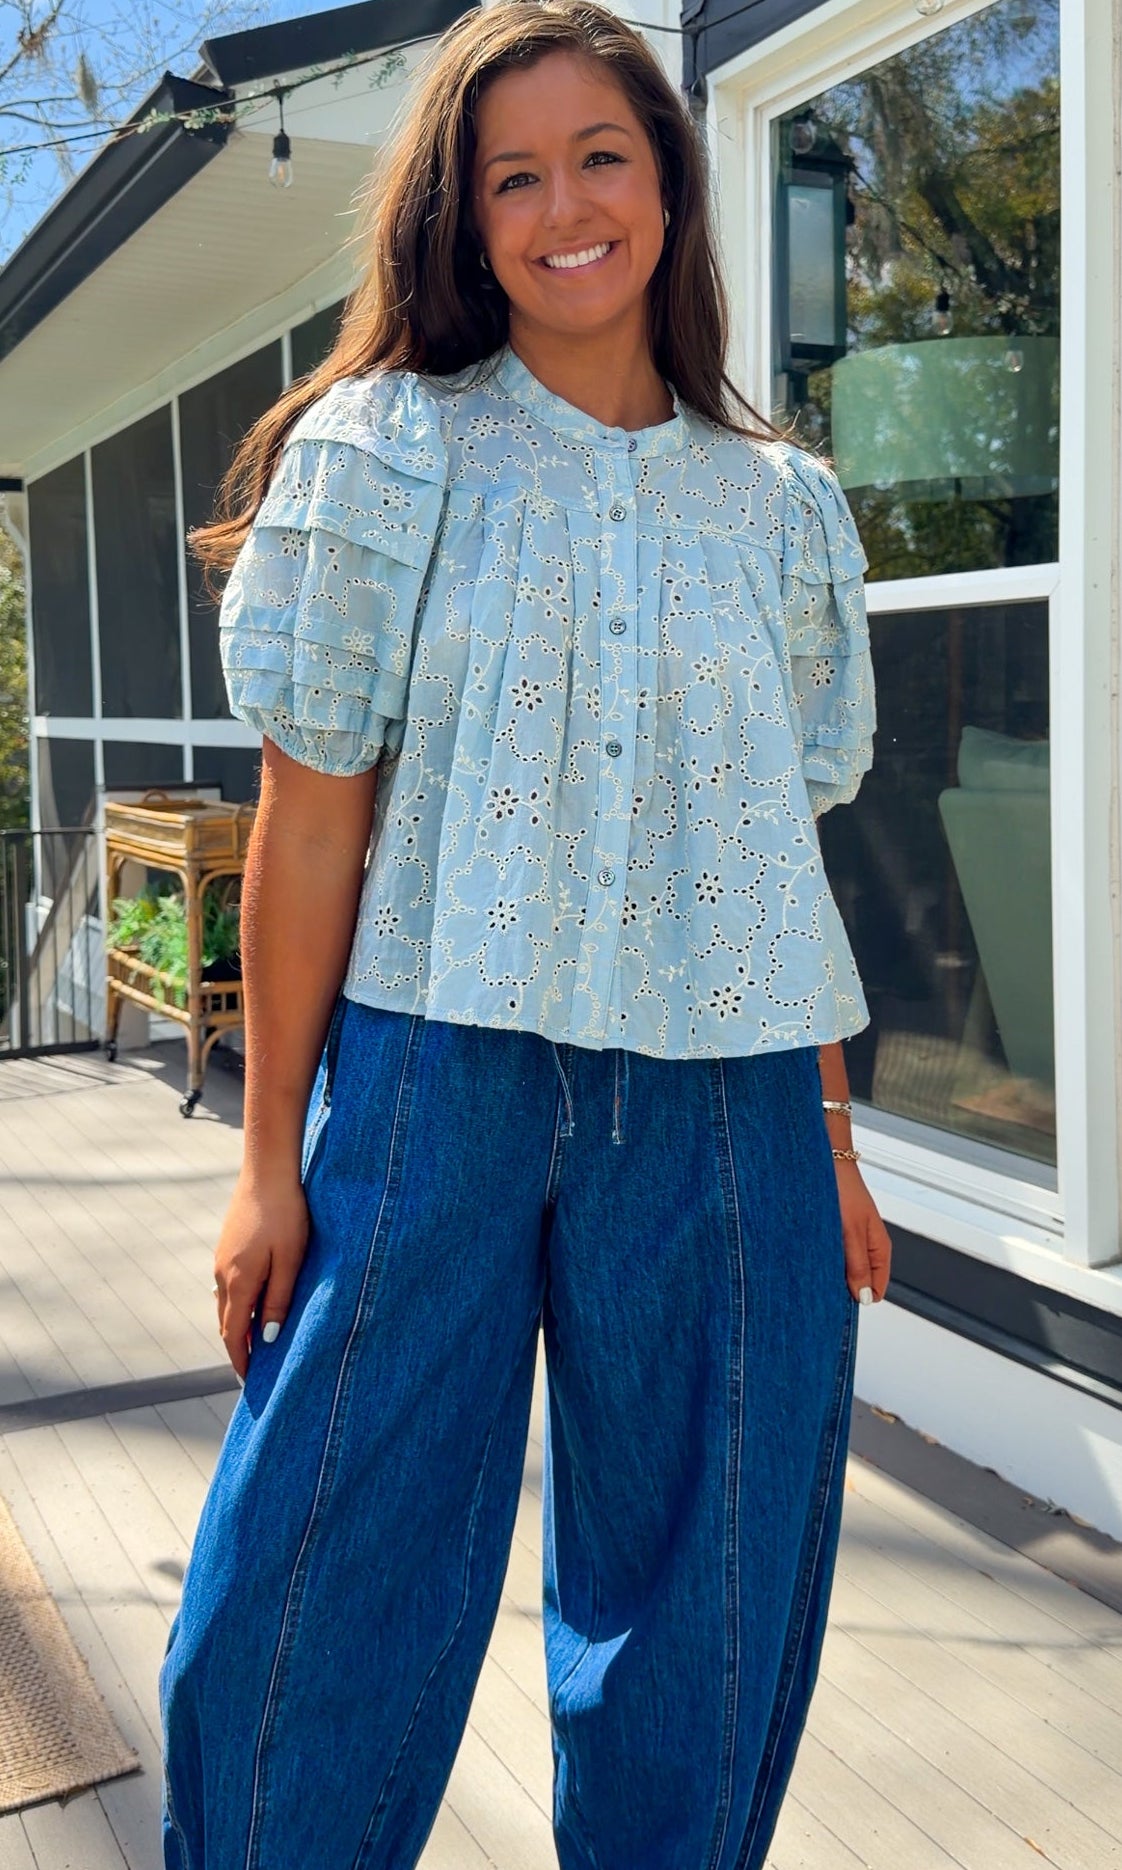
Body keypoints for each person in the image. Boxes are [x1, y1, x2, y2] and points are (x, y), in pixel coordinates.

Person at [160, 3, 892, 1865]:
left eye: (600, 158)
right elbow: (311, 829)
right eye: (513, 176)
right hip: (433, 1087)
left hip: (732, 1115)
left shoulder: (779, 505)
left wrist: (828, 1138)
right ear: (463, 220)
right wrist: (267, 1157)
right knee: (311, 1581)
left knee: (706, 1620)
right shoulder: (386, 452)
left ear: (665, 187)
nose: (563, 206)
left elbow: (772, 856)